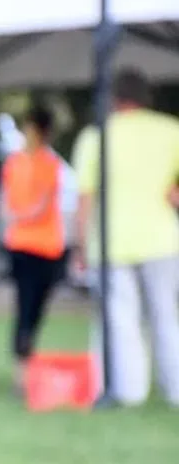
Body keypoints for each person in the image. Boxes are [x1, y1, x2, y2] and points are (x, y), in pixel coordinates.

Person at [71, 68, 179, 406]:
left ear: (114, 98)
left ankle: (129, 392)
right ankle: (176, 388)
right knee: (166, 317)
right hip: (162, 238)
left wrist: (79, 244)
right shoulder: (171, 130)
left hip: (110, 242)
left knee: (120, 321)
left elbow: (85, 197)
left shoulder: (96, 136)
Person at [0, 104, 67, 392]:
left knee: (34, 310)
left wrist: (15, 216)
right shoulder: (15, 163)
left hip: (46, 247)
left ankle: (27, 367)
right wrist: (13, 218)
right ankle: (22, 374)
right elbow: (6, 200)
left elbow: (41, 204)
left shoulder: (49, 165)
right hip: (25, 246)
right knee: (27, 309)